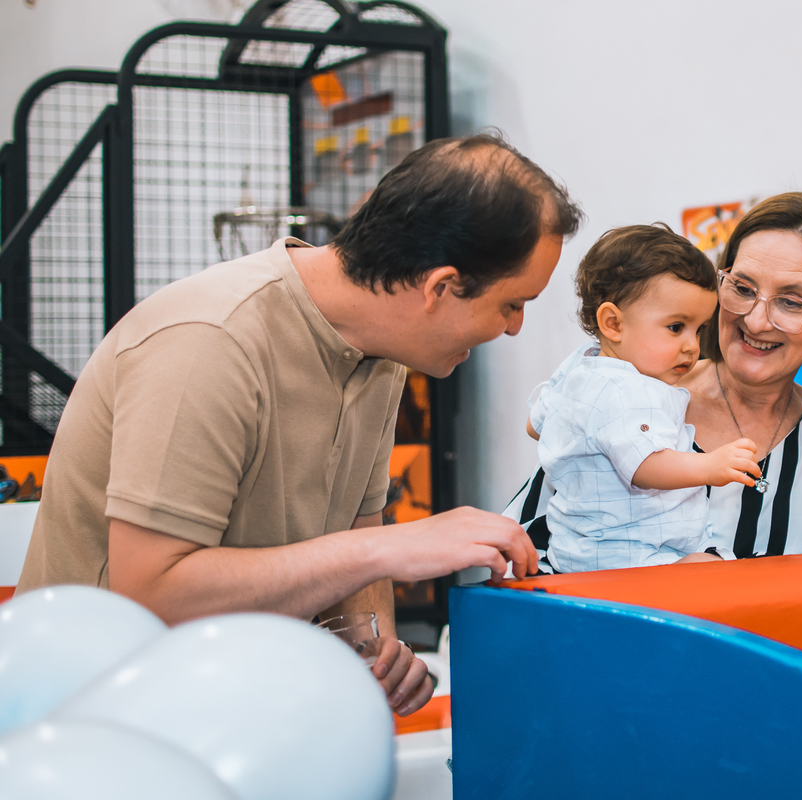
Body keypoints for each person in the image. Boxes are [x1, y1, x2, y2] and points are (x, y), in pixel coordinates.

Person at [17, 134, 582, 715]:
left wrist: (371, 654)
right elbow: (152, 596)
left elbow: (354, 539)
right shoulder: (209, 341)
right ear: (439, 287)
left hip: (239, 698)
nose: (513, 327)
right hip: (95, 712)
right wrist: (389, 549)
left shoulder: (380, 353)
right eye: (514, 303)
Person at [505, 192, 802, 559]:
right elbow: (524, 550)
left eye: (791, 302)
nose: (756, 321)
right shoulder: (626, 398)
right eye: (742, 288)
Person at [526, 225, 760, 573]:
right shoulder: (628, 390)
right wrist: (710, 466)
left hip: (579, 549)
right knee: (717, 572)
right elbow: (645, 466)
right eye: (676, 327)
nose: (692, 346)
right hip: (630, 556)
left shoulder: (580, 365)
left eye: (699, 330)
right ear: (613, 324)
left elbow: (534, 425)